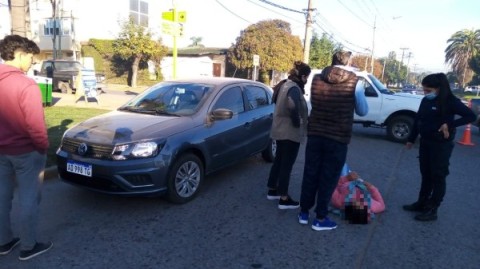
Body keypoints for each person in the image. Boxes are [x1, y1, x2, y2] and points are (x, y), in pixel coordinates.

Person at [298, 50, 368, 231]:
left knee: (310, 172)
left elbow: (314, 102)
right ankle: (320, 218)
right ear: (347, 62)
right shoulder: (355, 82)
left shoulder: (316, 78)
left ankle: (304, 213)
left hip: (315, 133)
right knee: (328, 177)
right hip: (337, 137)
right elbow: (362, 111)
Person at [0, 35, 53, 260]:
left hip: (1, 152)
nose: (32, 62)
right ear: (20, 54)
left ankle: (3, 242)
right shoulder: (27, 85)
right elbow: (36, 126)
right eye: (31, 57)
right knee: (29, 199)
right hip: (26, 153)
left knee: (2, 197)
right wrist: (43, 148)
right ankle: (28, 246)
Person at [403, 73, 476, 221]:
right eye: (424, 90)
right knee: (426, 174)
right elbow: (419, 119)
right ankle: (421, 202)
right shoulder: (425, 101)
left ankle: (432, 209)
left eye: (428, 90)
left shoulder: (450, 101)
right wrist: (411, 139)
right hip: (425, 142)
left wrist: (449, 124)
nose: (425, 93)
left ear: (439, 88)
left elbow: (470, 116)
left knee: (438, 176)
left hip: (441, 145)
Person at [267, 61, 311, 209]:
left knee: (279, 160)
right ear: (303, 76)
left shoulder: (284, 84)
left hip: (279, 129)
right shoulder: (294, 88)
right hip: (289, 132)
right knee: (287, 164)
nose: (307, 80)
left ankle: (272, 189)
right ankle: (284, 199)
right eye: (307, 77)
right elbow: (292, 105)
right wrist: (297, 122)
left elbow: (275, 101)